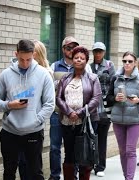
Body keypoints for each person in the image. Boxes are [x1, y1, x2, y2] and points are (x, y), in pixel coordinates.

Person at [0, 39, 55, 179]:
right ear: (16, 54)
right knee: (9, 172)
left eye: (29, 59)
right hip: (10, 132)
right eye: (21, 59)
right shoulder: (6, 74)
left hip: (33, 132)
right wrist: (9, 105)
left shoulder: (43, 74)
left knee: (35, 173)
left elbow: (49, 104)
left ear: (35, 54)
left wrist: (36, 120)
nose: (25, 63)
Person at [49, 36, 92, 180]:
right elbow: (51, 91)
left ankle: (73, 176)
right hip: (58, 114)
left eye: (74, 48)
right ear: (63, 49)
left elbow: (93, 93)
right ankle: (55, 175)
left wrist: (79, 113)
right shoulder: (54, 66)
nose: (71, 50)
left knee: (76, 149)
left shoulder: (86, 68)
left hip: (79, 118)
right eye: (68, 47)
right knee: (55, 147)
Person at [56, 46, 102, 180]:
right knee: (69, 154)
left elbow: (96, 99)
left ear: (86, 61)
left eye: (82, 58)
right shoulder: (65, 78)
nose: (79, 60)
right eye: (76, 57)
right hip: (67, 121)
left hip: (86, 122)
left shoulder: (93, 78)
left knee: (84, 155)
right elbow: (58, 98)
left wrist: (80, 113)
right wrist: (69, 112)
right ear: (72, 60)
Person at [106, 51, 139, 180]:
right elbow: (107, 98)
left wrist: (138, 101)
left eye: (130, 61)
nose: (127, 63)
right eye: (125, 61)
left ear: (135, 63)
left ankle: (129, 178)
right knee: (123, 151)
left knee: (130, 151)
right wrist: (115, 99)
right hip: (118, 120)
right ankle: (126, 176)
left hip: (135, 120)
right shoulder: (115, 78)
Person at [90, 42, 115, 177]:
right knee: (91, 137)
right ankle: (90, 163)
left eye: (100, 51)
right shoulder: (88, 67)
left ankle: (100, 166)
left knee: (102, 138)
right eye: (96, 51)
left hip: (105, 107)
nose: (98, 54)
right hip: (92, 107)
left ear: (104, 52)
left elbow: (115, 83)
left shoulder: (109, 65)